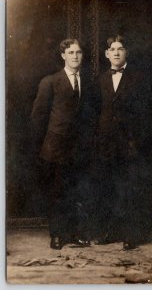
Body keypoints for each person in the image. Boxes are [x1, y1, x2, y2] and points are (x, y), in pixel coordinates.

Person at [31, 38, 96, 250]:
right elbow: (38, 118)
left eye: (78, 52)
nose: (75, 56)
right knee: (57, 193)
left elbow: (90, 115)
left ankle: (73, 234)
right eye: (71, 53)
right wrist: (45, 145)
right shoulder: (50, 81)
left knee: (76, 192)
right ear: (63, 55)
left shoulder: (88, 82)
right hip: (56, 148)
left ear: (82, 56)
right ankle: (57, 235)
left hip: (80, 149)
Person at [95, 35, 152, 249]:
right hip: (106, 144)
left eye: (121, 48)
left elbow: (145, 113)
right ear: (107, 53)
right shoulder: (100, 79)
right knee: (108, 188)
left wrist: (136, 141)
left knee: (129, 189)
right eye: (113, 49)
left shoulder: (138, 78)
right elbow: (96, 112)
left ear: (126, 52)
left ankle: (132, 235)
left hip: (129, 143)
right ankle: (111, 232)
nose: (117, 52)